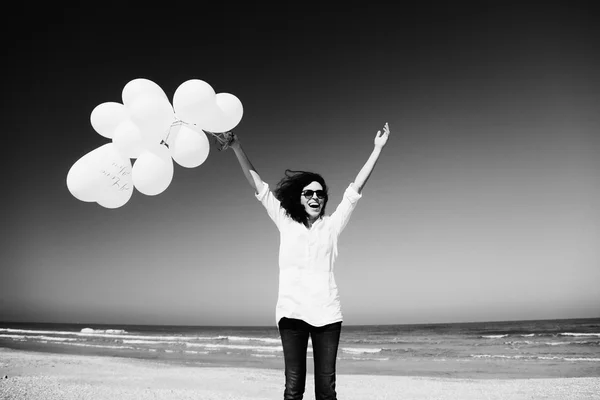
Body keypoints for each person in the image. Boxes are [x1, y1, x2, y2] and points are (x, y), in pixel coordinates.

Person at [228, 122, 390, 400]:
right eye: (308, 193)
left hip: (327, 315)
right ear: (300, 198)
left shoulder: (332, 225)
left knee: (326, 391)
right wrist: (236, 147)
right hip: (291, 314)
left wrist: (377, 149)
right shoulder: (285, 220)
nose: (315, 197)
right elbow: (260, 187)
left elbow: (355, 188)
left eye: (320, 193)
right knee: (293, 389)